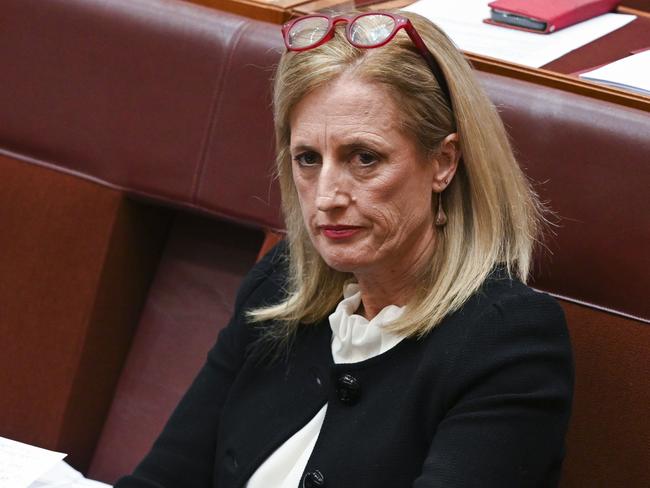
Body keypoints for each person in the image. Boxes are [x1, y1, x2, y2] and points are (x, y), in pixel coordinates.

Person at [115, 10, 573, 488]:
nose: (328, 197)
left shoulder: (508, 343)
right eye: (308, 159)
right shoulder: (282, 283)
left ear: (442, 162)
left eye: (364, 158)